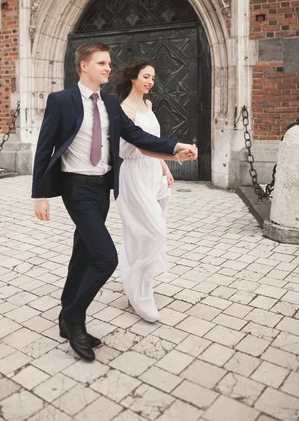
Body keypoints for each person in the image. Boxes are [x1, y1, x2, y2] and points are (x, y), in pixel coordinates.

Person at [32, 41, 197, 362]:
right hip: (75, 188)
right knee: (105, 257)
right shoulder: (61, 101)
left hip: (102, 189)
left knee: (83, 253)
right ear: (84, 66)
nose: (109, 68)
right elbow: (44, 147)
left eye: (109, 64)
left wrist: (176, 147)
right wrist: (39, 194)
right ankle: (74, 319)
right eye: (102, 63)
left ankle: (65, 315)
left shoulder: (110, 104)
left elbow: (138, 137)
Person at [112, 59, 196, 322]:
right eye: (146, 76)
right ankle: (140, 294)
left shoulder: (148, 105)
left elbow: (154, 143)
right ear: (133, 78)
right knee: (152, 233)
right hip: (134, 175)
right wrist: (177, 157)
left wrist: (164, 167)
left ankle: (140, 282)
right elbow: (140, 146)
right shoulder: (123, 109)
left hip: (154, 175)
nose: (150, 81)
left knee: (144, 235)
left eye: (153, 77)